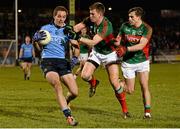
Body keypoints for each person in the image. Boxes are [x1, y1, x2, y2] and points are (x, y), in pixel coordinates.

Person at [64, 2, 130, 118]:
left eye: (92, 14)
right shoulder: (90, 20)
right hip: (97, 52)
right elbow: (77, 27)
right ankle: (94, 82)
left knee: (114, 83)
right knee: (84, 76)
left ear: (99, 14)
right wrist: (67, 29)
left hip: (109, 53)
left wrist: (77, 37)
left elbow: (93, 41)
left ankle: (125, 110)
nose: (90, 15)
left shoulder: (106, 26)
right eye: (90, 13)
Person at [32, 6, 79, 126]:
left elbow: (76, 46)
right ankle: (68, 116)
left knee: (74, 92)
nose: (61, 19)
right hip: (48, 61)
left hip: (63, 62)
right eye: (59, 16)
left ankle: (66, 101)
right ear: (54, 16)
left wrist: (74, 58)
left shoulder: (68, 30)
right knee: (57, 85)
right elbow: (38, 48)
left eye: (64, 17)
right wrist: (35, 41)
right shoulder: (45, 29)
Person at [115, 7, 153, 118]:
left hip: (142, 61)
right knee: (130, 91)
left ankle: (147, 113)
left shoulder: (147, 28)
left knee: (144, 86)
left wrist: (126, 49)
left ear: (139, 17)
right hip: (128, 62)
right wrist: (115, 42)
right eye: (129, 16)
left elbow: (142, 45)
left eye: (132, 17)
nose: (129, 18)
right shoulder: (124, 26)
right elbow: (118, 40)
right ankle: (118, 83)